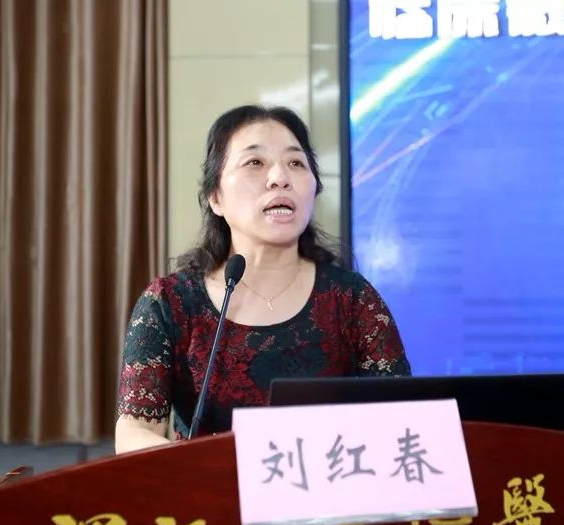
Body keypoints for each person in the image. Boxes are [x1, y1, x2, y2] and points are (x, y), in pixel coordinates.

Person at [115, 105, 411, 454]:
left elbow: (402, 421)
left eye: (296, 163)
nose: (280, 178)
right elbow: (134, 433)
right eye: (255, 162)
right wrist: (210, 466)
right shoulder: (171, 302)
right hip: (209, 487)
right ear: (215, 197)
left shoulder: (353, 300)